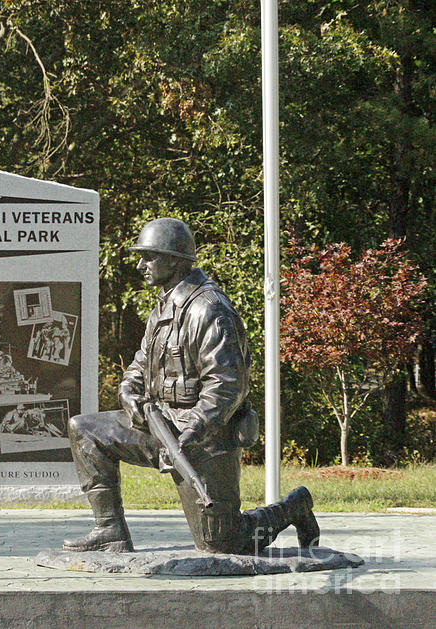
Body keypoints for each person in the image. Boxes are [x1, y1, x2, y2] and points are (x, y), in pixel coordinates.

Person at [63, 218, 319, 554]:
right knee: (85, 430)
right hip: (159, 424)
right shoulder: (166, 303)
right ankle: (109, 530)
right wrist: (128, 391)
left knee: (223, 544)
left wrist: (189, 435)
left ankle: (293, 507)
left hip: (204, 438)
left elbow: (226, 387)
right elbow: (142, 362)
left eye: (149, 257)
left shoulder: (209, 309)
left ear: (173, 260)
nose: (140, 265)